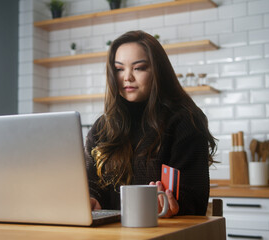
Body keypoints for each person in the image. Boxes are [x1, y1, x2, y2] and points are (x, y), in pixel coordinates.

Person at [84, 30, 217, 217]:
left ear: (157, 71)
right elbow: (92, 184)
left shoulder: (185, 121)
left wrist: (172, 206)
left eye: (139, 68)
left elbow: (194, 198)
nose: (127, 77)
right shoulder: (101, 128)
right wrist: (92, 199)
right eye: (119, 69)